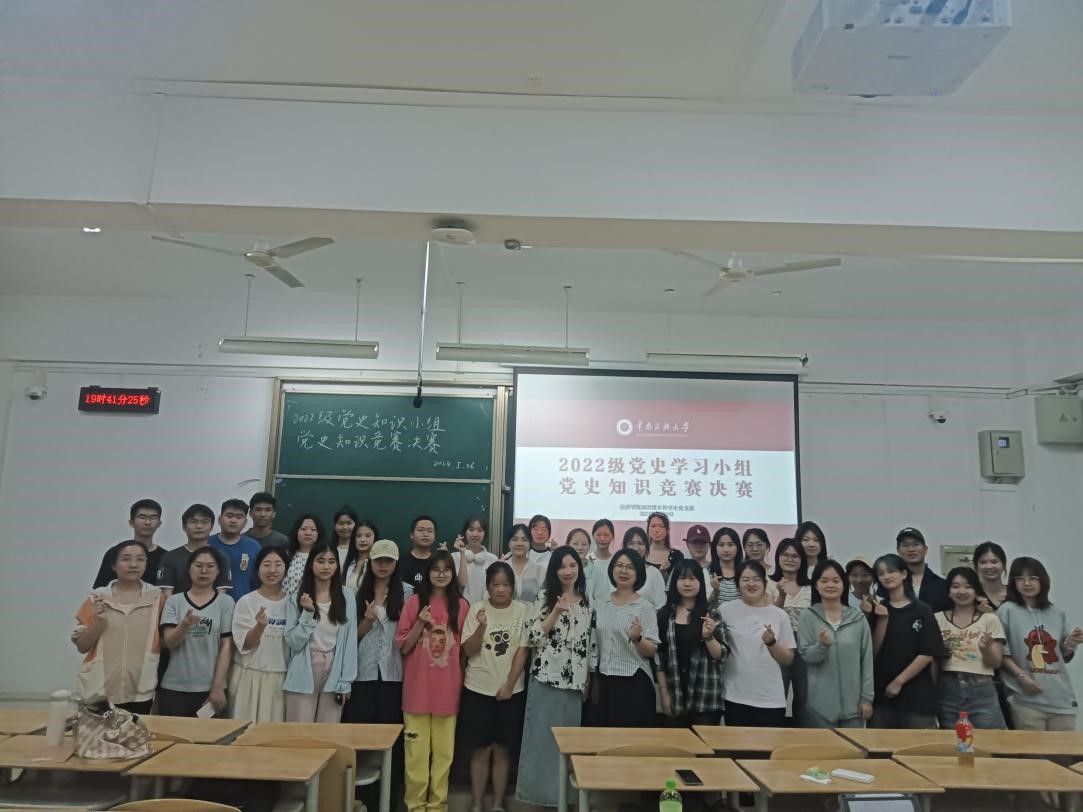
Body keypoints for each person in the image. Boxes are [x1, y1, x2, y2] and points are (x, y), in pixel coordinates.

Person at [515, 548, 597, 808]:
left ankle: (564, 800)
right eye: (562, 566)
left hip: (574, 685)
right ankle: (539, 799)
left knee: (568, 746)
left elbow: (590, 643)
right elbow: (532, 637)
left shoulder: (587, 601)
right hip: (546, 679)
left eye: (573, 565)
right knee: (542, 743)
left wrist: (588, 680)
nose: (568, 571)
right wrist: (556, 612)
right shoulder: (544, 596)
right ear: (554, 570)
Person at [396, 550, 469, 812]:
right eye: (436, 569)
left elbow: (465, 652)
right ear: (427, 573)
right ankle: (415, 806)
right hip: (416, 692)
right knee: (415, 755)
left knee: (444, 755)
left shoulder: (461, 606)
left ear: (452, 573)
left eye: (446, 569)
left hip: (447, 692)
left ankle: (438, 806)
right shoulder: (414, 602)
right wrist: (419, 623)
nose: (441, 574)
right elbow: (404, 647)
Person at [460, 562, 530, 812]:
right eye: (496, 584)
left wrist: (509, 685)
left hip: (511, 692)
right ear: (488, 586)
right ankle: (477, 803)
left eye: (506, 584)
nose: (501, 589)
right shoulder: (476, 609)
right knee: (481, 750)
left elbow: (523, 652)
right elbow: (468, 650)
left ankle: (498, 804)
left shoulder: (522, 611)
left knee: (502, 751)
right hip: (477, 689)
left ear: (513, 587)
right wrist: (481, 626)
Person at [347, 540, 411, 810]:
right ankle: (362, 800)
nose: (383, 565)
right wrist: (367, 622)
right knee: (362, 740)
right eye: (378, 560)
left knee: (391, 742)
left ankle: (389, 802)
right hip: (363, 675)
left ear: (396, 563)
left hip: (394, 676)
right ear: (370, 562)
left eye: (388, 561)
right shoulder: (354, 593)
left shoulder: (408, 593)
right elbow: (349, 639)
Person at [73, 540, 164, 714]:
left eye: (140, 559)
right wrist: (99, 623)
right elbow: (82, 646)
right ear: (114, 565)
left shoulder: (156, 598)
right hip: (99, 691)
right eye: (126, 559)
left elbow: (165, 639)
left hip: (140, 691)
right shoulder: (97, 598)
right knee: (96, 732)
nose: (133, 564)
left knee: (135, 732)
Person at [997, 557, 1083, 731]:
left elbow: (1062, 656)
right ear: (1013, 582)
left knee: (1064, 749)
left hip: (1060, 699)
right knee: (1031, 749)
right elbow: (1001, 653)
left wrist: (1071, 644)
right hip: (1026, 699)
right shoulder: (1007, 610)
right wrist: (1021, 676)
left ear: (1043, 580)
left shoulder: (1057, 612)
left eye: (1033, 578)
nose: (1026, 583)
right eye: (1020, 578)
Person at [868, 553, 945, 728]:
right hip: (882, 694)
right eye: (881, 573)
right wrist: (882, 620)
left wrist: (899, 682)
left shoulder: (922, 610)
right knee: (881, 743)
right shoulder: (878, 609)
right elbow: (873, 651)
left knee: (919, 743)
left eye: (891, 571)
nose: (886, 576)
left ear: (904, 574)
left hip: (917, 694)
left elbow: (927, 653)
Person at [283, 543, 357, 723]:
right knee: (299, 730)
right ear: (311, 564)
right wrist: (308, 613)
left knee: (328, 730)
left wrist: (346, 681)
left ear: (337, 566)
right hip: (304, 667)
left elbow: (350, 641)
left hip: (334, 668)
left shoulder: (347, 596)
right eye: (321, 561)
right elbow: (293, 642)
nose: (326, 566)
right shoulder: (297, 597)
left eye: (331, 562)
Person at [158, 548, 235, 717]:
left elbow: (226, 646)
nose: (204, 571)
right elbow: (170, 643)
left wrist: (217, 687)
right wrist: (184, 625)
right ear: (189, 569)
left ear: (218, 571)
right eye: (198, 566)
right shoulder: (174, 601)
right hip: (175, 687)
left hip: (211, 689)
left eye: (210, 566)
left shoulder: (226, 602)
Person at [717, 561, 795, 726]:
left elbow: (788, 659)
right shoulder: (725, 610)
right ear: (738, 584)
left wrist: (772, 643)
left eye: (756, 579)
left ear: (765, 583)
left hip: (770, 700)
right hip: (734, 697)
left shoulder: (779, 615)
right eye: (745, 579)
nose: (751, 583)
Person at [798, 559, 873, 728]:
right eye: (824, 581)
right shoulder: (808, 616)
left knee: (854, 746)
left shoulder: (858, 618)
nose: (830, 585)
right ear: (816, 585)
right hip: (819, 707)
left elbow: (867, 662)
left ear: (844, 584)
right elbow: (807, 656)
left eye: (836, 580)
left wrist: (867, 699)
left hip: (854, 707)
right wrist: (823, 645)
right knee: (822, 746)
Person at [592, 549, 660, 727]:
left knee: (630, 740)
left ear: (638, 573)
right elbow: (595, 645)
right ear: (612, 569)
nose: (623, 571)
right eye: (619, 565)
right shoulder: (600, 603)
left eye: (630, 567)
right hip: (604, 680)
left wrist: (638, 639)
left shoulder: (645, 607)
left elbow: (652, 650)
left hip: (633, 683)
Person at [655, 559, 726, 727]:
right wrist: (664, 693)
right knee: (676, 743)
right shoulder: (665, 614)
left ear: (700, 582)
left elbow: (721, 655)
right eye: (682, 578)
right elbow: (660, 657)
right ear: (675, 582)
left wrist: (709, 637)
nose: (687, 583)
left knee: (705, 743)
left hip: (706, 696)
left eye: (692, 578)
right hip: (675, 695)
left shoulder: (711, 614)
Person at [935, 567, 1006, 729]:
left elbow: (996, 663)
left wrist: (986, 649)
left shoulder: (990, 619)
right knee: (952, 741)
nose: (962, 591)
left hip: (981, 688)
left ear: (976, 591)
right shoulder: (936, 619)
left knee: (990, 740)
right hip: (947, 689)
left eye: (968, 586)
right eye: (955, 586)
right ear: (948, 592)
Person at [229, 546, 289, 722]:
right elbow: (245, 645)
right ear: (257, 569)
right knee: (244, 731)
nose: (272, 570)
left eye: (278, 564)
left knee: (273, 734)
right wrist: (259, 627)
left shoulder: (293, 603)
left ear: (286, 569)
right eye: (266, 564)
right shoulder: (246, 601)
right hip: (249, 676)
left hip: (281, 678)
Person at [765, 539, 811, 723]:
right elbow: (771, 616)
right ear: (778, 557)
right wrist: (782, 595)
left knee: (804, 697)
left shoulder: (810, 586)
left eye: (795, 556)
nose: (790, 559)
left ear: (802, 560)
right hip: (778, 643)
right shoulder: (768, 582)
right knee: (778, 693)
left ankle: (803, 737)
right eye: (785, 555)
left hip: (805, 643)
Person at [157, 504, 231, 597]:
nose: (199, 526)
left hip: (212, 606)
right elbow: (166, 595)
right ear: (184, 526)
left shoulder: (221, 557)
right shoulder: (170, 557)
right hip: (177, 606)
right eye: (193, 522)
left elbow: (221, 594)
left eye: (205, 522)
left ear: (212, 526)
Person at [92, 499, 169, 589]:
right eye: (142, 517)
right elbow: (100, 589)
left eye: (153, 518)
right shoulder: (115, 552)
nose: (147, 522)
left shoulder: (166, 557)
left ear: (159, 523)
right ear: (131, 522)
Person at [208, 499, 261, 601]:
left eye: (239, 517)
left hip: (244, 605)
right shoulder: (207, 544)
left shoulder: (254, 546)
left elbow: (258, 582)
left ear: (245, 522)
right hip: (211, 604)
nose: (233, 520)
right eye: (229, 516)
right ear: (219, 519)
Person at [895, 527, 949, 612]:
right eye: (905, 545)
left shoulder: (943, 586)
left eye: (916, 544)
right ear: (898, 550)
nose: (911, 549)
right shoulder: (891, 583)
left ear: (925, 550)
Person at [456, 515, 499, 605]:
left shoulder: (493, 559)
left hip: (486, 608)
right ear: (465, 532)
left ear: (485, 533)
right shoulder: (454, 557)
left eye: (480, 530)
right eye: (471, 530)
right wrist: (462, 554)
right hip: (460, 608)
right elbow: (460, 584)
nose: (475, 534)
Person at [620, 526, 667, 609]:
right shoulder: (617, 571)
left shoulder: (654, 573)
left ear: (647, 547)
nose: (636, 548)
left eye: (640, 543)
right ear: (625, 546)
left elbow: (661, 605)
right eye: (631, 543)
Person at [283, 513, 324, 595]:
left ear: (319, 533)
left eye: (313, 530)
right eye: (303, 529)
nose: (308, 533)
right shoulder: (285, 555)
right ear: (296, 532)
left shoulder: (323, 557)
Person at [505, 523, 545, 604]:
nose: (519, 543)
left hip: (532, 612)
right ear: (508, 543)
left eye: (524, 540)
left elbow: (544, 601)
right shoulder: (501, 568)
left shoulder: (540, 570)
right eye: (515, 539)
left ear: (530, 543)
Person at [400, 515, 437, 590]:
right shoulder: (400, 561)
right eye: (420, 530)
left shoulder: (438, 561)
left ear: (434, 536)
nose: (425, 534)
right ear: (411, 535)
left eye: (430, 531)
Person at [708, 527, 742, 605]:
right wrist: (715, 591)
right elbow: (705, 605)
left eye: (730, 545)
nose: (726, 550)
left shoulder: (745, 572)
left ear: (738, 548)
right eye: (721, 545)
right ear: (714, 548)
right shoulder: (706, 573)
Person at [343, 519, 379, 592]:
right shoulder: (349, 562)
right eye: (358, 536)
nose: (363, 540)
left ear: (375, 537)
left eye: (368, 536)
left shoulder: (378, 563)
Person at [645, 511, 683, 578]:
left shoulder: (676, 555)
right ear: (648, 529)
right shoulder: (641, 552)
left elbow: (677, 581)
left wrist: (664, 572)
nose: (657, 530)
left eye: (662, 526)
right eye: (653, 526)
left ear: (668, 530)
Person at [587, 519, 616, 605]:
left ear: (613, 536)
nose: (602, 538)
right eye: (598, 535)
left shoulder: (616, 560)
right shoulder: (588, 559)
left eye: (606, 535)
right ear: (593, 536)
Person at [973, 541, 1009, 611]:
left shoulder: (1015, 594)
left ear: (1004, 565)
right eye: (983, 562)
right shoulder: (971, 595)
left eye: (994, 562)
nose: (989, 566)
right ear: (976, 566)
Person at [331, 506, 359, 571]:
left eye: (349, 523)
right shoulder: (327, 550)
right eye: (340, 523)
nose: (345, 527)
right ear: (335, 526)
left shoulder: (361, 550)